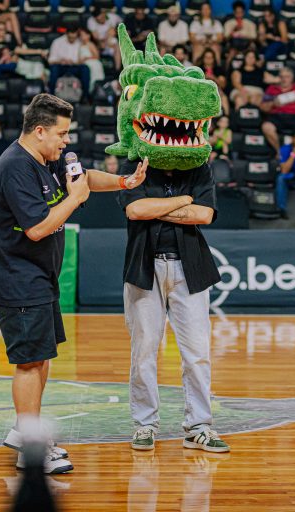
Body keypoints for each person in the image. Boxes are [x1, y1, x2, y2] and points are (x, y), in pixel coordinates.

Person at [0, 93, 147, 474]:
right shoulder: (15, 167)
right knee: (29, 363)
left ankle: (28, 433)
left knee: (40, 358)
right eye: (61, 133)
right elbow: (38, 228)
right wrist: (74, 200)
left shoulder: (46, 159)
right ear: (39, 131)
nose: (66, 141)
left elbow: (84, 178)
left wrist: (125, 181)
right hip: (16, 280)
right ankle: (30, 447)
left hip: (38, 279)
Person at [117, 139, 230, 457]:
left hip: (190, 267)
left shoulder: (199, 167)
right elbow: (135, 210)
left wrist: (156, 208)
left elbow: (204, 214)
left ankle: (198, 426)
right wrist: (183, 201)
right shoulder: (134, 163)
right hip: (144, 266)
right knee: (143, 351)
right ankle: (145, 424)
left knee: (197, 352)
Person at [47, 25, 90, 101]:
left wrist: (75, 62)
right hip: (61, 66)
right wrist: (61, 61)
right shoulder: (57, 42)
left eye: (74, 38)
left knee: (85, 69)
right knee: (54, 69)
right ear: (66, 34)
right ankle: (52, 96)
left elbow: (84, 59)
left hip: (74, 66)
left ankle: (85, 97)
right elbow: (50, 60)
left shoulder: (80, 42)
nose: (72, 39)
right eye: (70, 37)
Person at [223, 1, 258, 65]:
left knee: (252, 49)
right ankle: (226, 69)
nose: (239, 14)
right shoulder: (228, 23)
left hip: (247, 45)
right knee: (231, 53)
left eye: (241, 12)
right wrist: (233, 30)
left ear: (243, 12)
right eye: (237, 12)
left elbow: (254, 37)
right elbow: (226, 38)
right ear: (234, 12)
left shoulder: (250, 23)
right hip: (233, 46)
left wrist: (244, 36)